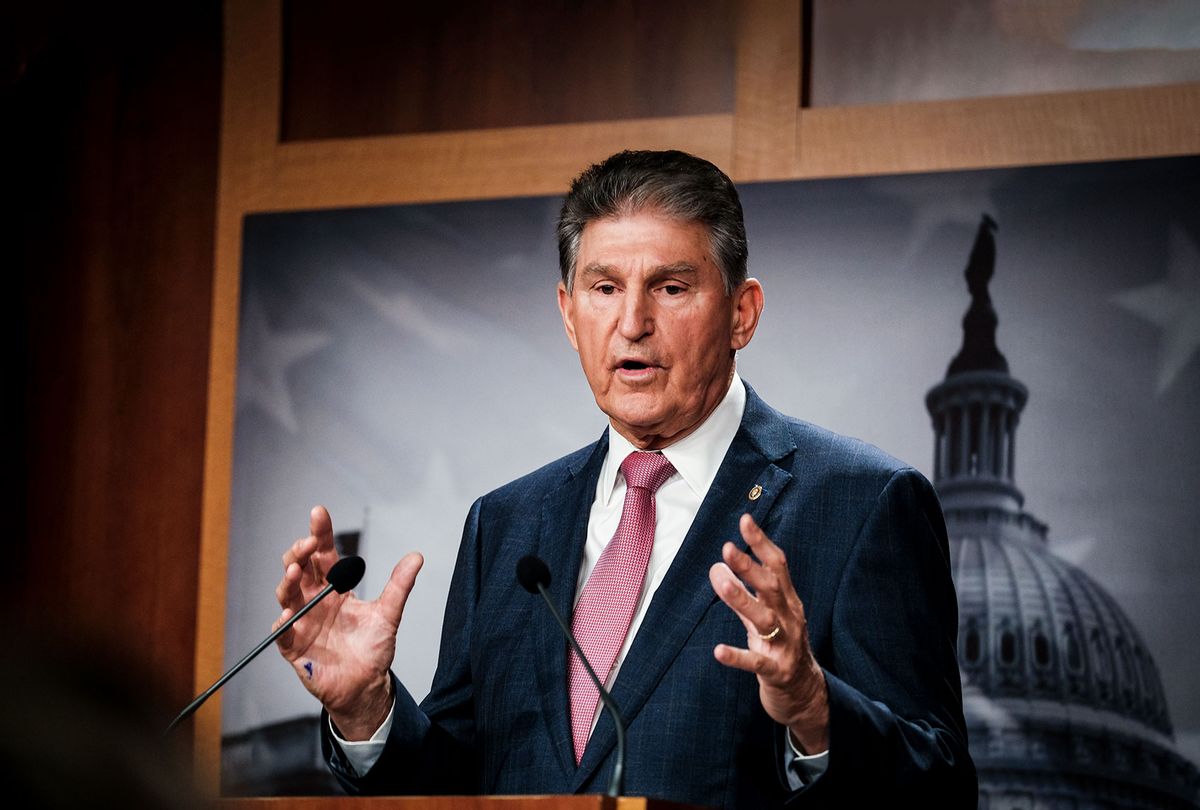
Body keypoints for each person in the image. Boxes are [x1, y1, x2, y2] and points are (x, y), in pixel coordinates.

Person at [272, 150, 977, 807]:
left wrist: (816, 711)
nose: (632, 323)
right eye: (604, 288)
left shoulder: (861, 503)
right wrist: (369, 710)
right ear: (569, 314)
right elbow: (465, 784)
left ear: (742, 312)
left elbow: (941, 787)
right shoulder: (507, 523)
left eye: (671, 287)